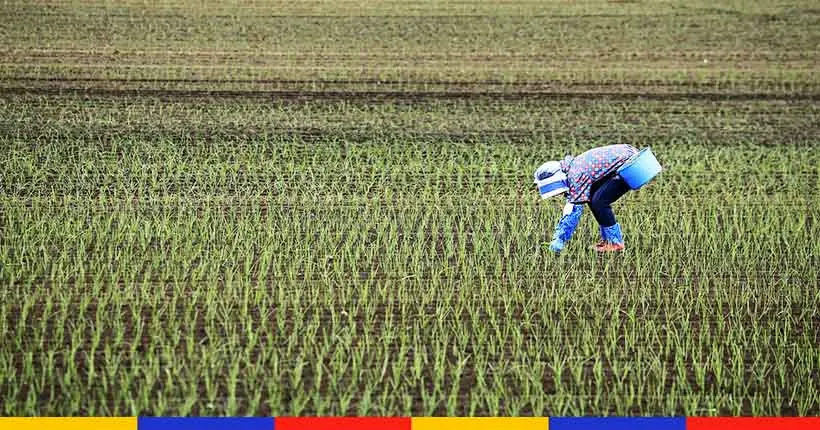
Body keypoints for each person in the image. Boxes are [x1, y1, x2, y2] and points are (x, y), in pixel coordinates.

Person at [533, 144, 640, 253]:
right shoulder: (573, 167)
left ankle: (615, 243)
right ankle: (610, 240)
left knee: (599, 202)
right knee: (594, 198)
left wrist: (559, 239)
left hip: (631, 164)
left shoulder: (575, 176)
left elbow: (573, 211)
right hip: (630, 157)